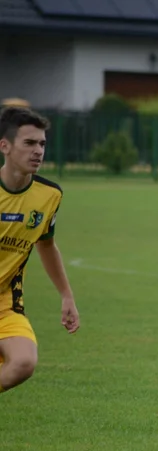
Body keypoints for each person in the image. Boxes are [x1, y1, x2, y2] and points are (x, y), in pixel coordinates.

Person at [0, 106, 79, 394]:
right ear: (5, 146)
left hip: (5, 305)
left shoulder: (49, 195)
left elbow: (46, 244)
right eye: (29, 143)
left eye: (42, 144)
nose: (38, 151)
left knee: (23, 362)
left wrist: (66, 295)